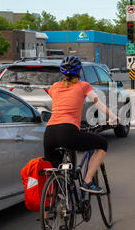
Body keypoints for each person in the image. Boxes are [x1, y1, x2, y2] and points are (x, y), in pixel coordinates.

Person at [43, 56, 119, 194]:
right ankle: (88, 181)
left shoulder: (54, 87)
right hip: (68, 131)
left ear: (63, 73)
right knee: (102, 144)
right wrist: (114, 118)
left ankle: (47, 213)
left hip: (49, 133)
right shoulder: (83, 86)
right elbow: (98, 103)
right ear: (79, 72)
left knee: (52, 174)